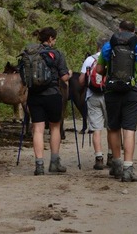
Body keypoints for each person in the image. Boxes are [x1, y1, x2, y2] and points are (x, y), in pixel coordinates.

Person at [96, 20, 137, 182]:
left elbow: (99, 70)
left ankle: (117, 164)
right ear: (134, 31)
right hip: (131, 91)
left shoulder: (108, 47)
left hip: (111, 91)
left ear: (119, 29)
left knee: (113, 127)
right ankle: (128, 168)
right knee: (129, 129)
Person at [26, 27, 71, 175]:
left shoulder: (30, 53)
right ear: (51, 38)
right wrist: (69, 73)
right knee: (55, 128)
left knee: (37, 129)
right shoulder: (56, 54)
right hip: (52, 94)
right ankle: (54, 163)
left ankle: (39, 165)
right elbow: (64, 78)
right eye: (55, 38)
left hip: (34, 95)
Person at [78, 36, 112, 170]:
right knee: (112, 128)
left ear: (97, 46)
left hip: (93, 96)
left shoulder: (89, 59)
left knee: (96, 129)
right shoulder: (111, 58)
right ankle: (111, 156)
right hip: (110, 96)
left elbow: (81, 81)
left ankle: (99, 158)